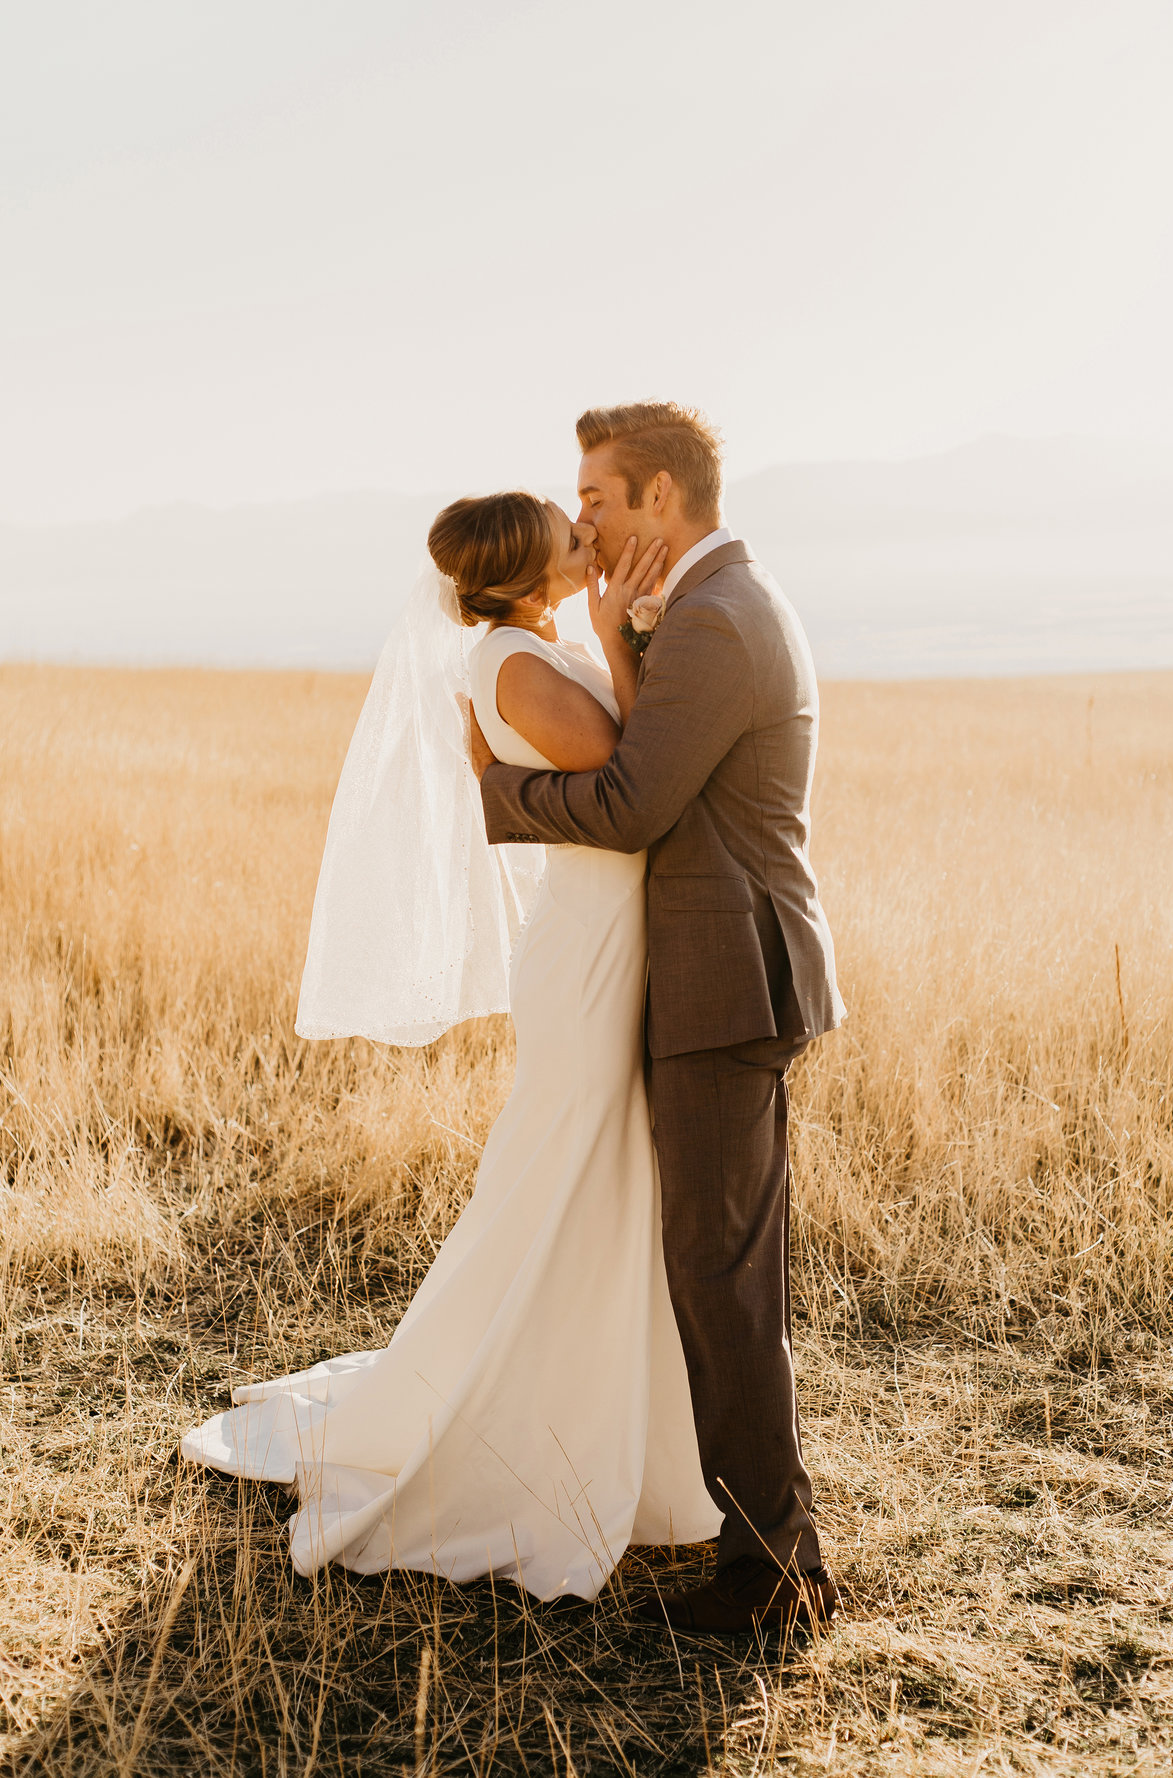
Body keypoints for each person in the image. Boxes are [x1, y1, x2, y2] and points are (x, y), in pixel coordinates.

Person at [181, 488, 721, 1603]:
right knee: (568, 1161)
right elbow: (635, 772)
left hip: (608, 932)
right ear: (529, 573)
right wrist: (626, 640)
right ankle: (512, 1410)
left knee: (596, 1167)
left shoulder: (537, 643)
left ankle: (604, 1404)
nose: (590, 543)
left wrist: (611, 635)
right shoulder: (519, 661)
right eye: (570, 537)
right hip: (585, 949)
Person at [466, 402, 845, 1633]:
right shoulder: (704, 607)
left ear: (664, 501)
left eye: (600, 497)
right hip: (712, 971)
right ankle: (760, 1535)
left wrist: (498, 791)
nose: (581, 515)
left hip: (724, 979)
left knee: (721, 1276)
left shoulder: (722, 620)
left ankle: (773, 1569)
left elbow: (630, 802)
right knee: (718, 1266)